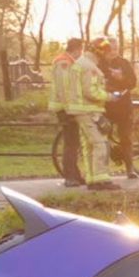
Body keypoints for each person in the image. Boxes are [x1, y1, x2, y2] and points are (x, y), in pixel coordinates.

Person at [72, 38, 118, 191]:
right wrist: (109, 96)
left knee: (89, 146)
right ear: (100, 52)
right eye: (107, 52)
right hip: (89, 110)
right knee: (100, 143)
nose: (108, 56)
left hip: (82, 110)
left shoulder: (81, 63)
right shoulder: (90, 67)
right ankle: (102, 180)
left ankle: (92, 180)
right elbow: (90, 91)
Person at [92, 37, 139, 178]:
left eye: (116, 48)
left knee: (126, 137)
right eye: (110, 49)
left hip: (123, 107)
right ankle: (104, 169)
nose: (113, 52)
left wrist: (121, 78)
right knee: (103, 137)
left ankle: (130, 169)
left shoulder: (124, 63)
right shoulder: (99, 64)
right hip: (106, 106)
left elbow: (133, 83)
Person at [47, 38, 85, 186]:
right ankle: (70, 176)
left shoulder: (67, 61)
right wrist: (70, 109)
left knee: (73, 142)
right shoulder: (64, 62)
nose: (81, 53)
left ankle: (75, 174)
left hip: (67, 107)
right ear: (77, 49)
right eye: (81, 50)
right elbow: (64, 88)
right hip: (65, 108)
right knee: (71, 143)